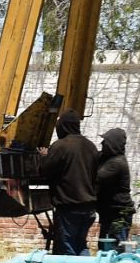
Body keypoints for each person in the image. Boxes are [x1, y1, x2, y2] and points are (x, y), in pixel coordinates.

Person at [39, 109, 99, 255]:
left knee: (68, 249)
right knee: (81, 244)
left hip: (69, 208)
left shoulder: (60, 146)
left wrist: (43, 156)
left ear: (63, 126)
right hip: (89, 208)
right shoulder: (91, 146)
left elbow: (44, 170)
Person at [94, 128, 135, 246]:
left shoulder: (116, 163)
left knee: (113, 249)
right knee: (105, 246)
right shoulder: (108, 158)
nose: (102, 144)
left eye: (105, 141)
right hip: (110, 213)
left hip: (118, 215)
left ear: (113, 144)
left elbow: (96, 178)